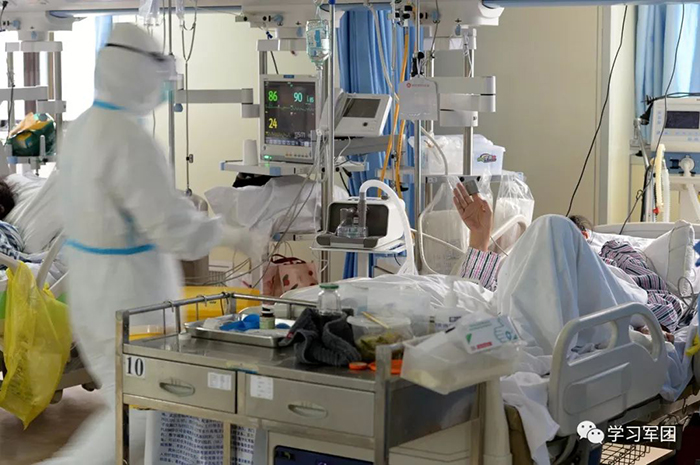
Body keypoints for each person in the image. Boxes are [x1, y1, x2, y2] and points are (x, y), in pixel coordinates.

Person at [44, 24, 235, 465]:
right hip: (131, 298)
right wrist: (227, 232)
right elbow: (173, 230)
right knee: (148, 412)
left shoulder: (81, 129)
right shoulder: (129, 140)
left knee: (130, 404)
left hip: (91, 294)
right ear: (138, 73)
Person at [452, 183, 682, 352]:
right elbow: (480, 293)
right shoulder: (524, 264)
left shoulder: (614, 254)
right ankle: (532, 336)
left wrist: (646, 325)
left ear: (583, 237)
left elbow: (664, 303)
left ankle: (536, 340)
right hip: (532, 317)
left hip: (596, 314)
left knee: (552, 224)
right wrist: (480, 236)